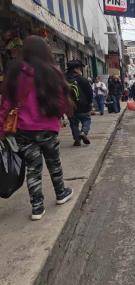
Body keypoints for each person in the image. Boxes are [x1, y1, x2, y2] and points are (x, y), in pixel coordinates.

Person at [0, 36, 74, 220]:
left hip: (24, 131)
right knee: (54, 163)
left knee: (33, 168)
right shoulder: (52, 72)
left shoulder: (16, 74)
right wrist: (57, 117)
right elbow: (62, 101)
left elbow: (6, 105)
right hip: (48, 128)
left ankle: (37, 208)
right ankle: (61, 194)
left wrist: (1, 129)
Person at [66, 59, 94, 146]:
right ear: (75, 69)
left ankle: (77, 140)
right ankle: (83, 132)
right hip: (83, 106)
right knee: (86, 120)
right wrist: (90, 103)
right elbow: (89, 93)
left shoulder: (63, 79)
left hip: (70, 107)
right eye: (80, 68)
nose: (81, 70)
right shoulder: (82, 80)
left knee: (73, 124)